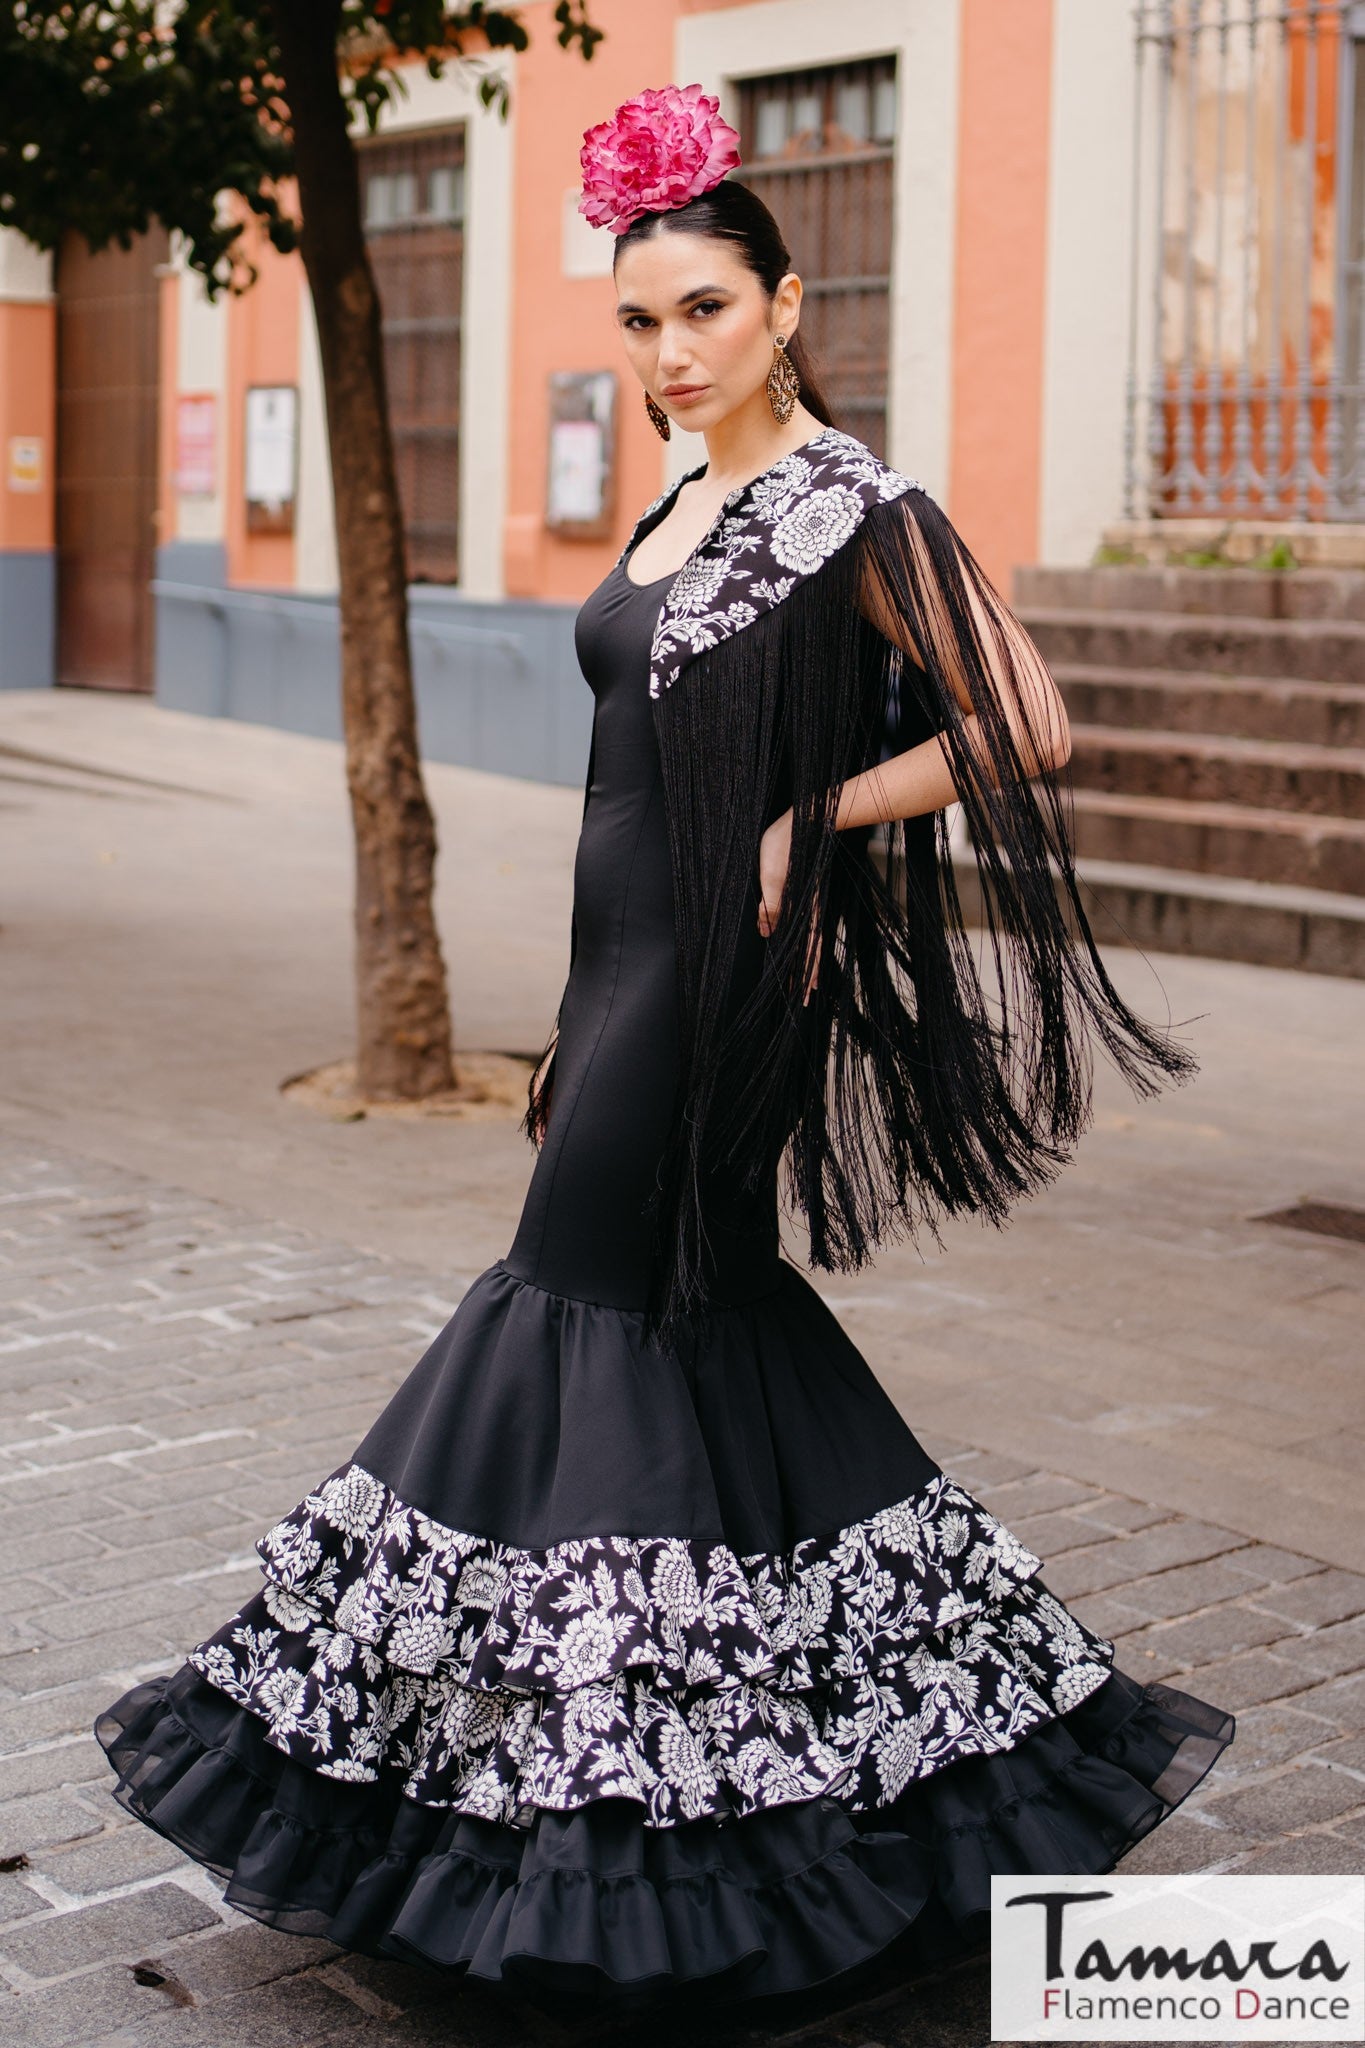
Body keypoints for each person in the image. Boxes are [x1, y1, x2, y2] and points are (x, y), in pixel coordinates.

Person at [95, 84, 1235, 2007]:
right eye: (637, 321)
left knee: (573, 1301)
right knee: (701, 1325)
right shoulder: (679, 499)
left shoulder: (850, 505)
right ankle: (932, 1748)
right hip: (630, 970)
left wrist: (813, 823)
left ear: (784, 308)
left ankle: (591, 1805)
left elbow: (1022, 721)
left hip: (723, 982)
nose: (668, 352)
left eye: (702, 310)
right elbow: (634, 776)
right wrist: (576, 1010)